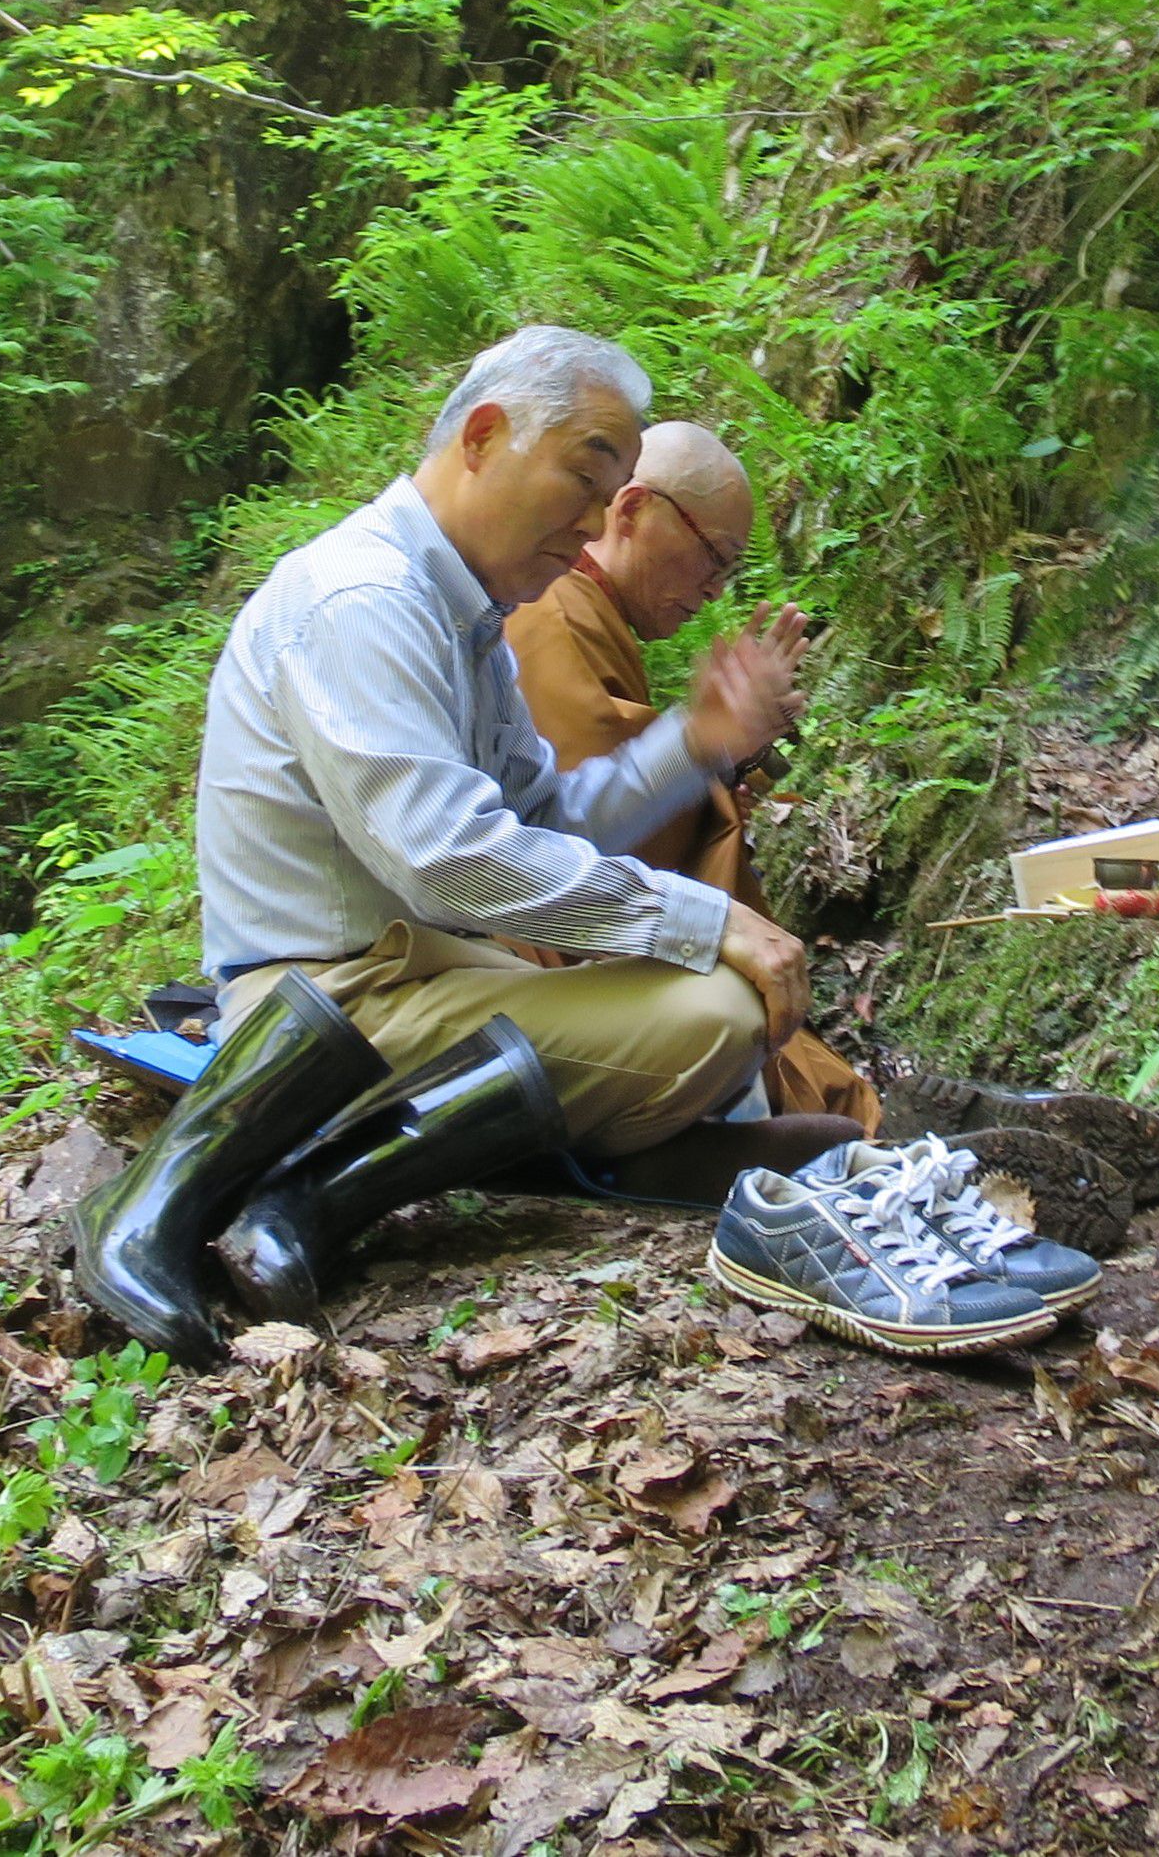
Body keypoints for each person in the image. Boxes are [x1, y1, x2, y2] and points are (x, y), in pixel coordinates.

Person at [72, 326, 862, 1366]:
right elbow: (448, 858)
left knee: (715, 1007)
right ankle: (297, 1184)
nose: (591, 527)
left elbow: (550, 821)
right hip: (318, 1007)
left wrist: (695, 743)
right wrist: (707, 918)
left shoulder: (470, 621)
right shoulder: (364, 598)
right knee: (712, 1006)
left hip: (426, 974)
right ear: (484, 435)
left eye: (613, 494)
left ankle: (330, 1190)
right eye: (585, 480)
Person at [505, 419, 879, 1129]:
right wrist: (705, 756)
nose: (713, 589)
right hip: (533, 960)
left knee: (812, 1084)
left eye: (730, 573)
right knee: (802, 1091)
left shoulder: (583, 615)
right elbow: (569, 834)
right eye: (713, 557)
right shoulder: (547, 616)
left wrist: (718, 754)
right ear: (632, 509)